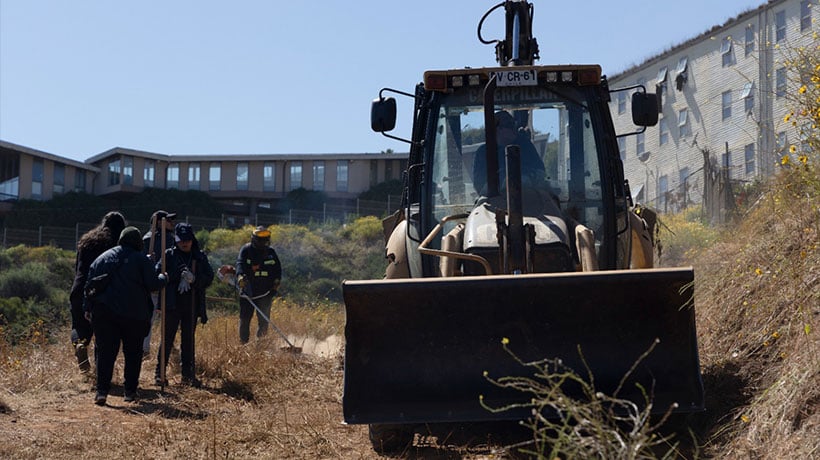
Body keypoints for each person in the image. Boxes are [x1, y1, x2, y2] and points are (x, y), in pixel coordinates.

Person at [84, 226, 167, 405]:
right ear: (138, 242)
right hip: (134, 314)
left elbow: (89, 286)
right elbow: (153, 284)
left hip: (104, 314)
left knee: (106, 353)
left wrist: (87, 309)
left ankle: (101, 392)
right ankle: (129, 392)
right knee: (133, 354)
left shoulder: (102, 258)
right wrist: (163, 278)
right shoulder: (141, 260)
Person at [154, 223, 214, 387]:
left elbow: (209, 277)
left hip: (192, 305)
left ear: (192, 240)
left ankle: (187, 376)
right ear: (176, 240)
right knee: (167, 340)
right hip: (172, 304)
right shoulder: (169, 255)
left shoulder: (199, 256)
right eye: (181, 240)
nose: (184, 243)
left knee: (188, 341)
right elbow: (158, 273)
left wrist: (194, 279)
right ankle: (160, 374)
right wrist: (176, 276)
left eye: (187, 240)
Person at [68, 211, 126, 373]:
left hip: (79, 288)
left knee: (79, 325)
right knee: (103, 333)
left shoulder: (86, 241)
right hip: (102, 292)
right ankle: (100, 372)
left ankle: (80, 344)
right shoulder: (115, 245)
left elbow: (77, 268)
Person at [471, 110, 546, 196]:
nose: (514, 129)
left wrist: (526, 176)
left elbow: (540, 170)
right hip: (493, 200)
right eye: (509, 125)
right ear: (498, 129)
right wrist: (501, 179)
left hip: (528, 196)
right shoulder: (483, 152)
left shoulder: (525, 146)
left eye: (514, 124)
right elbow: (479, 183)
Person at [236, 226, 282, 344]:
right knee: (245, 320)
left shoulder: (271, 252)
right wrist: (241, 277)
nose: (263, 243)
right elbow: (240, 265)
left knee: (264, 322)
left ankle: (260, 347)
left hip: (265, 293)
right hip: (248, 292)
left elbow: (277, 270)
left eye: (265, 240)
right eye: (260, 240)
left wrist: (275, 285)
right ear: (254, 239)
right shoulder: (246, 250)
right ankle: (243, 346)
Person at [141, 210, 177, 358]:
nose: (172, 223)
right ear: (160, 223)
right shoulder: (164, 239)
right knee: (159, 319)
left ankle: (148, 349)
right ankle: (146, 350)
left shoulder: (146, 238)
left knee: (151, 319)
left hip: (155, 284)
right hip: (160, 284)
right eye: (168, 220)